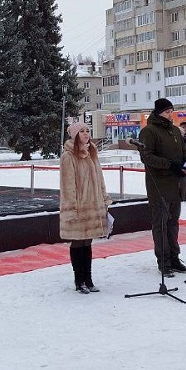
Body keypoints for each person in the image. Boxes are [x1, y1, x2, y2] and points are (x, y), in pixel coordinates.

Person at [136, 98, 186, 276]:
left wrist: (185, 163)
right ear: (158, 112)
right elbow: (147, 157)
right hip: (158, 184)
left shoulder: (175, 131)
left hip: (175, 183)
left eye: (171, 111)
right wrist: (169, 164)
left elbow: (183, 152)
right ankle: (163, 261)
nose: (170, 114)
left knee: (173, 223)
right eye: (167, 111)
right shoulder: (149, 131)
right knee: (160, 223)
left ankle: (174, 258)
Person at [59, 123, 112, 293]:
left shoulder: (92, 152)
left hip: (93, 205)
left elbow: (100, 179)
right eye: (81, 131)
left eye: (87, 130)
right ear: (74, 135)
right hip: (79, 206)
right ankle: (79, 280)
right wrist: (71, 208)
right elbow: (68, 185)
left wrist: (104, 199)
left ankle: (88, 279)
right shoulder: (68, 156)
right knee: (77, 242)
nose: (86, 134)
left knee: (87, 241)